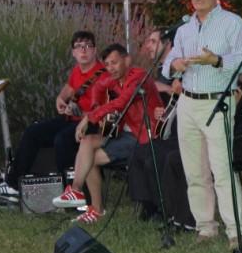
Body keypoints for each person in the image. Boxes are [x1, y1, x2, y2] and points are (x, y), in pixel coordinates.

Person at [162, 0, 242, 249]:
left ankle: (236, 232)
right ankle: (205, 227)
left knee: (222, 170)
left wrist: (216, 60)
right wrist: (175, 64)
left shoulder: (233, 23)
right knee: (195, 171)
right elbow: (168, 62)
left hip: (217, 101)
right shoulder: (184, 28)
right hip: (188, 102)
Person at [0, 31, 104, 200]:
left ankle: (70, 191)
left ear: (95, 50)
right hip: (71, 119)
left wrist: (80, 112)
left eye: (87, 46)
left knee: (62, 140)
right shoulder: (77, 70)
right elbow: (69, 88)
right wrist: (60, 99)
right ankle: (13, 185)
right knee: (33, 132)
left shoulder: (103, 75)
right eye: (78, 47)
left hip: (91, 123)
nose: (83, 50)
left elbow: (104, 111)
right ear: (73, 52)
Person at [53, 44, 162, 224]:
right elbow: (98, 87)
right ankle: (78, 192)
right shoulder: (115, 79)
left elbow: (121, 102)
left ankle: (92, 205)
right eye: (107, 64)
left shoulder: (139, 77)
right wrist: (96, 106)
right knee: (87, 142)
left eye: (114, 62)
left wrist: (89, 118)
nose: (110, 68)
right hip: (127, 132)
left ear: (127, 60)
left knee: (89, 158)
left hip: (144, 136)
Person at [128, 28, 182, 221]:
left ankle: (164, 209)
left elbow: (183, 96)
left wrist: (166, 90)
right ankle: (147, 204)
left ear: (167, 44)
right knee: (138, 153)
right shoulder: (159, 72)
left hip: (183, 133)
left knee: (154, 156)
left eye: (153, 41)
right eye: (147, 42)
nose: (148, 46)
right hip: (164, 131)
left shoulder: (180, 69)